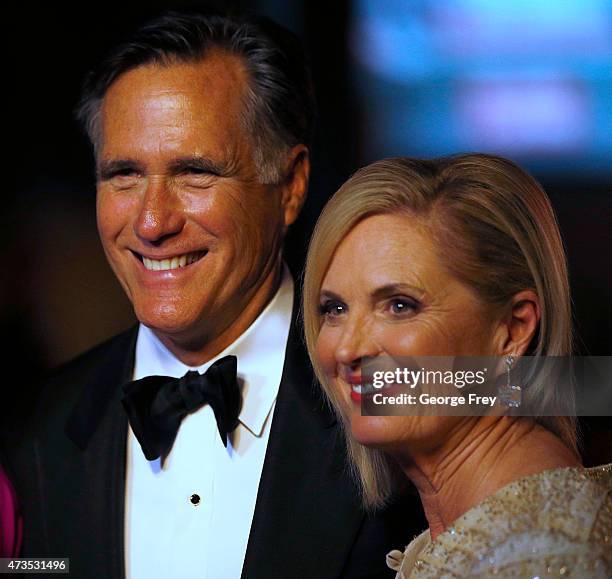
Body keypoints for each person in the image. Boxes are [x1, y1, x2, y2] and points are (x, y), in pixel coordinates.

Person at [3, 11, 420, 579]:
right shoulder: (33, 429)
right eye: (123, 175)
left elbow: (568, 387)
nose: (151, 222)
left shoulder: (411, 389)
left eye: (195, 173)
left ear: (290, 185)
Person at [303, 154, 611, 577]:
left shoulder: (537, 549)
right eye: (334, 308)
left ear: (513, 328)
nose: (347, 348)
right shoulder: (485, 531)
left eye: (399, 305)